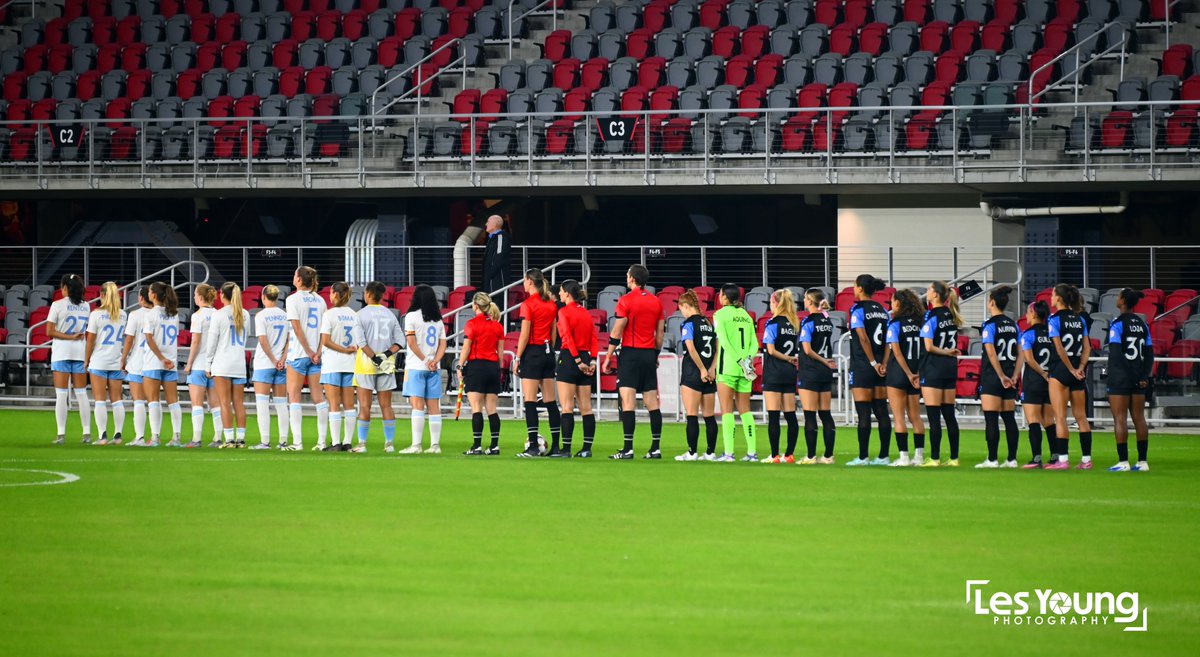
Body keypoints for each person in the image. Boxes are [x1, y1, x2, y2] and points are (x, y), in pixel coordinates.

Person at [602, 264, 666, 460]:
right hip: (648, 354)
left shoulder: (626, 300)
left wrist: (608, 356)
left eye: (628, 274)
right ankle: (655, 448)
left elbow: (617, 330)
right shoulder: (656, 302)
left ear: (632, 278)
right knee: (652, 402)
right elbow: (660, 334)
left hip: (630, 353)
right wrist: (655, 356)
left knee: (628, 401)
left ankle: (628, 449)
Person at [353, 281, 404, 454]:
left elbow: (361, 343)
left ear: (367, 294)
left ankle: (362, 444)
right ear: (382, 296)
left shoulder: (360, 314)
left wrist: (375, 358)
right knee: (386, 406)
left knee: (364, 406)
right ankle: (389, 444)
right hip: (386, 366)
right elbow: (400, 341)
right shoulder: (390, 314)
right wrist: (385, 355)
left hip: (366, 365)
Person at [1106, 288, 1154, 472]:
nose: (1116, 298)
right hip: (1139, 378)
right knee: (1139, 418)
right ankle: (1142, 462)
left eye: (1119, 296)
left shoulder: (1117, 324)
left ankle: (1123, 461)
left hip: (1121, 378)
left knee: (1120, 418)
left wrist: (1132, 376)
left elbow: (1117, 354)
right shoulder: (1142, 324)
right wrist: (1143, 376)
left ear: (1123, 301)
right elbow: (1149, 355)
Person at [1046, 283, 1092, 470]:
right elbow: (1087, 347)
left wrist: (1070, 369)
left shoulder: (1054, 319)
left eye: (1052, 294)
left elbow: (1059, 348)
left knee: (1060, 417)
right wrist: (1080, 367)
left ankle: (1063, 460)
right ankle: (1086, 460)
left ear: (1058, 298)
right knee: (1081, 417)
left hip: (1060, 370)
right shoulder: (1079, 319)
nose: (1051, 297)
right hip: (1078, 372)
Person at [847, 274, 892, 466]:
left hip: (863, 365)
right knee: (881, 411)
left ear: (860, 288)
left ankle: (863, 457)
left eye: (854, 286)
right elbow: (889, 340)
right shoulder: (884, 311)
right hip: (881, 366)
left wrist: (872, 362)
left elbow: (863, 338)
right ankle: (883, 456)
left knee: (863, 413)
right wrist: (884, 363)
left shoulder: (857, 310)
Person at [976, 286, 1023, 469]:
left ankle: (992, 459)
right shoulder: (1014, 325)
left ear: (992, 302)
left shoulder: (989, 325)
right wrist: (1015, 375)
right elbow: (1021, 353)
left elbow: (991, 353)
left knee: (991, 419)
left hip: (993, 376)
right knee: (1009, 418)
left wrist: (1001, 376)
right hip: (1010, 377)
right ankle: (1012, 459)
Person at [712, 284, 760, 462]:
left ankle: (729, 453)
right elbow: (754, 343)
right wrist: (747, 360)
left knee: (727, 410)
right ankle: (752, 452)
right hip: (746, 369)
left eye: (720, 294)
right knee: (745, 410)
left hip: (728, 368)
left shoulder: (719, 315)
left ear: (725, 297)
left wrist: (738, 359)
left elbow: (723, 342)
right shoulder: (746, 316)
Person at [516, 268, 561, 458]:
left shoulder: (528, 304)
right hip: (547, 353)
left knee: (530, 401)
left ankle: (533, 446)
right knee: (551, 402)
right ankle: (556, 447)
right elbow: (553, 333)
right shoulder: (551, 304)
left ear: (529, 281)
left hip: (533, 353)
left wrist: (517, 357)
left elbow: (524, 335)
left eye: (524, 280)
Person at [920, 280, 963, 467]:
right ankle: (954, 458)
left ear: (936, 295)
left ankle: (935, 458)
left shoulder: (932, 315)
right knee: (949, 415)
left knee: (934, 416)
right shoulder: (951, 314)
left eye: (930, 289)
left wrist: (945, 352)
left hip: (934, 368)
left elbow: (929, 347)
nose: (927, 291)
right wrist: (949, 353)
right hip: (949, 368)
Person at [400, 284, 447, 454]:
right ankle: (435, 445)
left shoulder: (411, 316)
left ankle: (416, 445)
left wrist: (425, 360)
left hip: (416, 366)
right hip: (434, 368)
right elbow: (443, 344)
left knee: (417, 406)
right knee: (434, 406)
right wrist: (435, 361)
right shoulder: (438, 320)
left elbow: (411, 343)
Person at [286, 266, 329, 451]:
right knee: (319, 398)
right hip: (317, 356)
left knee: (294, 397)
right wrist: (317, 352)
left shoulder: (292, 299)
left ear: (299, 280)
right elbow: (324, 331)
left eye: (295, 275)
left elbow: (296, 329)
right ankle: (322, 442)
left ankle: (297, 442)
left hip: (298, 354)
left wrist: (309, 351)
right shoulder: (321, 300)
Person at [553, 279, 597, 458]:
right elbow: (594, 338)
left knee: (567, 407)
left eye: (561, 291)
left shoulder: (563, 311)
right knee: (586, 407)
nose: (559, 294)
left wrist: (578, 361)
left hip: (570, 359)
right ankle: (586, 449)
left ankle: (566, 449)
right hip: (586, 357)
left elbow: (567, 337)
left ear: (567, 294)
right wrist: (592, 361)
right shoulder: (586, 313)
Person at [204, 283, 250, 449]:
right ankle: (241, 440)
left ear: (222, 295)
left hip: (222, 364)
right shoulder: (245, 314)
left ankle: (229, 439)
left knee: (224, 402)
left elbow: (212, 342)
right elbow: (245, 338)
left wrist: (208, 364)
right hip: (239, 363)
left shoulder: (219, 314)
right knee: (239, 403)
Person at [459, 292, 506, 456]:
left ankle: (477, 446)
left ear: (476, 306)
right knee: (492, 408)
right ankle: (494, 446)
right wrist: (498, 369)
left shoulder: (471, 324)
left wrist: (459, 365)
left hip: (477, 367)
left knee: (476, 408)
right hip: (493, 367)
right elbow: (500, 353)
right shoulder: (498, 326)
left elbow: (466, 348)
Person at [48, 274, 92, 445]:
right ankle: (86, 433)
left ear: (65, 287)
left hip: (61, 353)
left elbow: (49, 331)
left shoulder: (57, 305)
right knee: (81, 394)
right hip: (80, 353)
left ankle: (61, 434)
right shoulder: (86, 306)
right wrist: (75, 337)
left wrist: (69, 337)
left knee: (61, 394)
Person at [675, 290, 718, 461]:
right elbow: (717, 348)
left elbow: (691, 349)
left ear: (686, 306)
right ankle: (710, 452)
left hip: (693, 372)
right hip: (709, 373)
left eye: (681, 310)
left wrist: (701, 369)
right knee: (709, 415)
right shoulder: (708, 323)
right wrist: (712, 369)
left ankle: (692, 453)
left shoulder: (688, 324)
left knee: (691, 414)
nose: (682, 313)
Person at [884, 289, 925, 467]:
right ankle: (919, 456)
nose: (891, 305)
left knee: (899, 417)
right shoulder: (920, 324)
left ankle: (904, 457)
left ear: (899, 304)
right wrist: (917, 373)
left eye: (893, 301)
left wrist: (908, 373)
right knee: (915, 416)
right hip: (917, 372)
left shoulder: (894, 324)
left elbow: (897, 352)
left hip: (898, 373)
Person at [250, 285, 294, 450]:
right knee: (281, 403)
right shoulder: (285, 315)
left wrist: (273, 360)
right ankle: (283, 441)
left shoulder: (261, 315)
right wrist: (282, 359)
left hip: (264, 363)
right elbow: (289, 340)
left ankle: (265, 441)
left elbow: (262, 341)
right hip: (281, 364)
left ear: (263, 297)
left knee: (262, 403)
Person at [319, 282, 360, 452]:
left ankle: (336, 443)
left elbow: (325, 341)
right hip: (350, 363)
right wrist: (349, 350)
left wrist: (343, 350)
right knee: (349, 404)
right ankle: (347, 441)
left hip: (333, 364)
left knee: (334, 404)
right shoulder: (354, 314)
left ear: (335, 294)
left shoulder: (329, 314)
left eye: (330, 293)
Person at [141, 281, 183, 447]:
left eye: (150, 291)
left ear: (153, 295)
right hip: (171, 361)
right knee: (173, 401)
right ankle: (176, 437)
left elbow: (149, 339)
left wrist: (160, 358)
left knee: (153, 400)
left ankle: (155, 437)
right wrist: (166, 359)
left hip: (154, 362)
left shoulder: (150, 314)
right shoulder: (174, 314)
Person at [798, 289, 837, 464]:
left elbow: (807, 350)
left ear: (810, 301)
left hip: (811, 370)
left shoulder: (808, 321)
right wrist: (826, 362)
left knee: (810, 415)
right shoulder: (827, 320)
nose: (803, 301)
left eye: (805, 298)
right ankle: (828, 456)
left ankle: (810, 456)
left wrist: (822, 360)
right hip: (825, 372)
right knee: (825, 414)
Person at [85, 281, 126, 445]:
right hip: (116, 360)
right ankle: (118, 435)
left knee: (100, 400)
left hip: (99, 361)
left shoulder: (96, 314)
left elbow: (90, 340)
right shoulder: (123, 314)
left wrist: (86, 359)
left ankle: (102, 436)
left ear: (102, 295)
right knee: (117, 400)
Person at [761, 289, 800, 463]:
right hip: (789, 372)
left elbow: (771, 350)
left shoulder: (772, 323)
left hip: (774, 371)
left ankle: (774, 455)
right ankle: (789, 454)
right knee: (790, 415)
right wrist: (790, 359)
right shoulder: (793, 324)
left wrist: (787, 358)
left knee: (774, 415)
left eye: (771, 303)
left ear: (776, 304)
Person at [183, 284, 221, 447]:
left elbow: (195, 341)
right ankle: (218, 437)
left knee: (197, 403)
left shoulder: (197, 316)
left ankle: (196, 438)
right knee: (216, 404)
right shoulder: (218, 314)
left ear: (200, 297)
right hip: (214, 365)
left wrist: (189, 363)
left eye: (194, 294)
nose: (193, 297)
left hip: (199, 364)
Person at [1019, 301, 1056, 469]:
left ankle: (1036, 458)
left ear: (1033, 313)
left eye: (1028, 312)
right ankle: (1055, 456)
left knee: (1033, 420)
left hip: (1034, 380)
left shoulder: (1028, 334)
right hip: (1050, 382)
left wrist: (1041, 373)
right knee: (1049, 420)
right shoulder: (1051, 334)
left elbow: (1029, 359)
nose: (1026, 315)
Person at [121, 287, 154, 447]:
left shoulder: (135, 315)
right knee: (153, 402)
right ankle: (155, 437)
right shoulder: (160, 314)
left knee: (139, 401)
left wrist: (123, 358)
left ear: (141, 298)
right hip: (154, 362)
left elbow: (129, 340)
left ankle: (140, 437)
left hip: (138, 361)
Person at [482, 214, 511, 303]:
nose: (486, 224)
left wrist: (490, 273)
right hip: (490, 280)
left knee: (498, 304)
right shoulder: (492, 238)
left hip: (498, 281)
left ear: (495, 224)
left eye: (488, 222)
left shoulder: (500, 237)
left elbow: (500, 257)